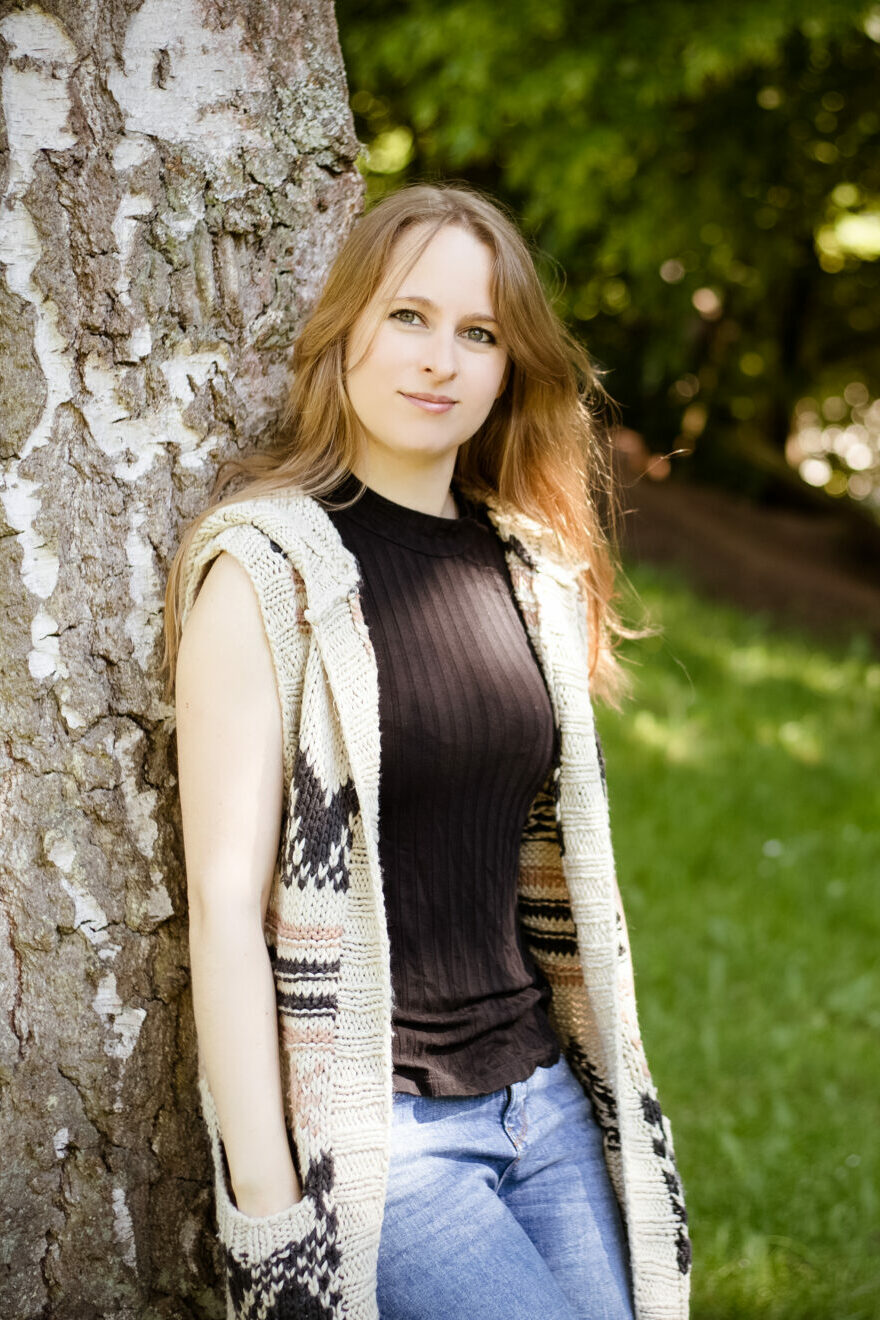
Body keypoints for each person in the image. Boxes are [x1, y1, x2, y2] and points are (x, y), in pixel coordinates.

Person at [163, 183, 691, 1320]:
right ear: (345, 329)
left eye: (478, 332)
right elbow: (221, 906)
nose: (438, 358)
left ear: (509, 369)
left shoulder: (527, 569)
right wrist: (272, 1211)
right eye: (407, 316)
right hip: (386, 1140)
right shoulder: (266, 575)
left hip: (543, 1099)